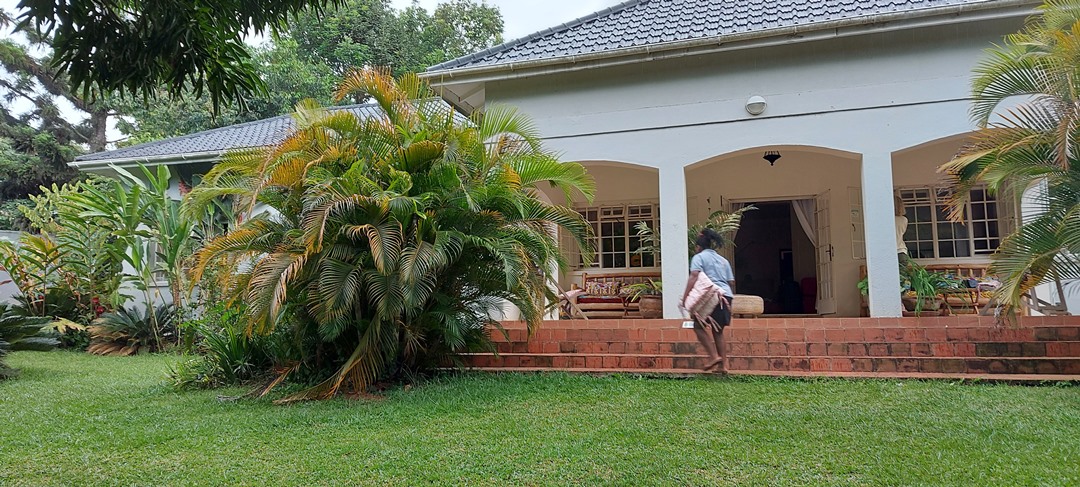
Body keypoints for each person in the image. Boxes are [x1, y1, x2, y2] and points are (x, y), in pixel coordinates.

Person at [680, 228, 735, 373]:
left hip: (711, 295)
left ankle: (713, 357)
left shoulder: (699, 257)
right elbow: (731, 282)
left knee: (698, 326)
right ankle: (723, 366)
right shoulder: (723, 260)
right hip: (726, 296)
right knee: (718, 331)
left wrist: (685, 297)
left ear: (698, 246)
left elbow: (694, 276)